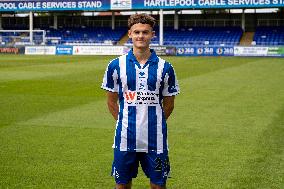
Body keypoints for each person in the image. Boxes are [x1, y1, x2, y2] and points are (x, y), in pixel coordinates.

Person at [101, 13, 179, 189]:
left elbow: (170, 104)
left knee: (158, 185)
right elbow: (111, 103)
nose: (140, 36)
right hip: (125, 138)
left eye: (145, 32)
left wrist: (154, 122)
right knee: (122, 185)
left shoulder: (165, 67)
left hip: (156, 139)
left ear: (152, 35)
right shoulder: (115, 65)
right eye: (136, 32)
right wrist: (126, 122)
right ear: (130, 34)